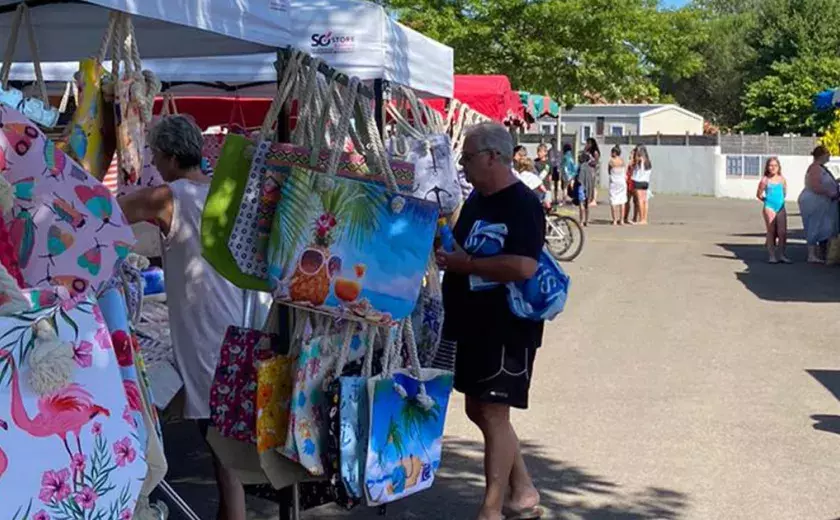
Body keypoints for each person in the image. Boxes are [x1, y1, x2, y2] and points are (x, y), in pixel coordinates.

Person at [117, 115, 248, 520]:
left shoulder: (168, 196)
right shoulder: (220, 192)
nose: (154, 163)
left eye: (156, 156)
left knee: (222, 452)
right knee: (225, 448)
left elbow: (108, 212)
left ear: (172, 157)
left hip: (205, 330)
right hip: (235, 321)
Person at [437, 122, 545, 520]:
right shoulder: (478, 200)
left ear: (493, 157)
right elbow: (463, 247)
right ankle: (524, 489)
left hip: (506, 326)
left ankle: (491, 508)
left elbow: (524, 265)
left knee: (495, 411)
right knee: (477, 409)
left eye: (467, 158)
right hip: (471, 321)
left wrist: (467, 264)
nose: (463, 166)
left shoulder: (522, 204)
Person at [798, 145, 840, 263]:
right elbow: (815, 185)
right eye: (828, 154)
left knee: (824, 226)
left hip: (822, 202)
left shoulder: (821, 168)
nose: (829, 156)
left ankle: (820, 253)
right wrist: (830, 193)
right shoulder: (815, 168)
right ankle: (811, 255)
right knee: (814, 225)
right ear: (822, 155)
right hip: (815, 202)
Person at [756, 157, 791, 264]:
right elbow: (759, 194)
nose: (773, 168)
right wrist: (766, 201)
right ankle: (772, 256)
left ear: (779, 167)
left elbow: (784, 193)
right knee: (771, 231)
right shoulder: (765, 180)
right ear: (767, 167)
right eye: (770, 165)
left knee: (782, 232)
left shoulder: (782, 179)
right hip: (769, 206)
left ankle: (781, 255)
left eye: (775, 165)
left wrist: (779, 202)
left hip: (780, 207)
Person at [632, 145, 652, 225]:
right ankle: (645, 218)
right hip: (646, 182)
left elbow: (634, 164)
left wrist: (635, 155)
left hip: (638, 181)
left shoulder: (640, 160)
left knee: (640, 200)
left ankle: (641, 219)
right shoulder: (648, 161)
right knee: (645, 201)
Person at [576, 148, 596, 226]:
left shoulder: (581, 167)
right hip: (589, 187)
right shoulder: (590, 168)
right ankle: (586, 221)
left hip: (581, 187)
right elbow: (592, 179)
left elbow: (580, 179)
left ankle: (581, 221)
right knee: (587, 205)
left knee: (581, 204)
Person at [608, 145, 627, 225]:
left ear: (615, 153)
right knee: (622, 201)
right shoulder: (622, 161)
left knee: (613, 201)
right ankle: (621, 220)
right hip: (622, 182)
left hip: (614, 182)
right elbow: (624, 170)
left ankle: (615, 220)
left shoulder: (611, 161)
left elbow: (609, 171)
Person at [584, 138, 601, 206]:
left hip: (592, 170)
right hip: (586, 170)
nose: (587, 144)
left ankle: (593, 199)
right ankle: (588, 199)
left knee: (592, 185)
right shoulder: (587, 151)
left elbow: (596, 162)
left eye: (588, 143)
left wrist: (589, 163)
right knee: (587, 185)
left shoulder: (595, 152)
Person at [624, 148, 638, 225]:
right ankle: (625, 217)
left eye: (632, 154)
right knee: (627, 200)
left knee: (636, 201)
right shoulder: (630, 163)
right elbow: (627, 171)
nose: (630, 155)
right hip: (629, 181)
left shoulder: (637, 163)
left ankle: (635, 218)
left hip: (634, 182)